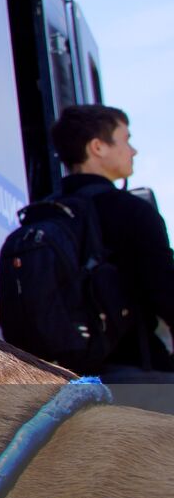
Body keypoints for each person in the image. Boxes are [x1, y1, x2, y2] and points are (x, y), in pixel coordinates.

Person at [50, 104, 174, 383]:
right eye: (125, 140)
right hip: (135, 374)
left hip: (63, 383)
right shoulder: (132, 210)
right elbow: (166, 293)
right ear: (98, 147)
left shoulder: (44, 214)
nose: (133, 151)